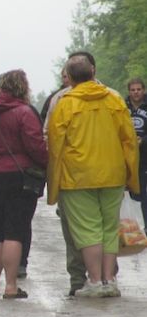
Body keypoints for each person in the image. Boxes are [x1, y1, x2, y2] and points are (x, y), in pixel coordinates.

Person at [47, 55, 139, 298]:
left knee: (88, 230)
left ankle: (95, 281)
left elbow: (56, 145)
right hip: (113, 173)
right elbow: (129, 140)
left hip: (77, 177)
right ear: (93, 72)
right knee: (110, 228)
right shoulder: (115, 98)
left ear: (70, 77)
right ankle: (110, 281)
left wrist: (53, 182)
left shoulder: (65, 103)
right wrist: (131, 175)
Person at [0, 69, 48, 299]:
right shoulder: (25, 113)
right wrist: (46, 162)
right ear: (23, 88)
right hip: (19, 177)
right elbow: (35, 146)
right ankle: (11, 287)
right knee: (14, 232)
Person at [126, 77, 147, 229]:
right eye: (133, 90)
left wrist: (143, 140)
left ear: (144, 90)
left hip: (145, 153)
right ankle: (127, 227)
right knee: (128, 191)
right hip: (127, 153)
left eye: (138, 89)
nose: (136, 93)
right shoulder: (122, 106)